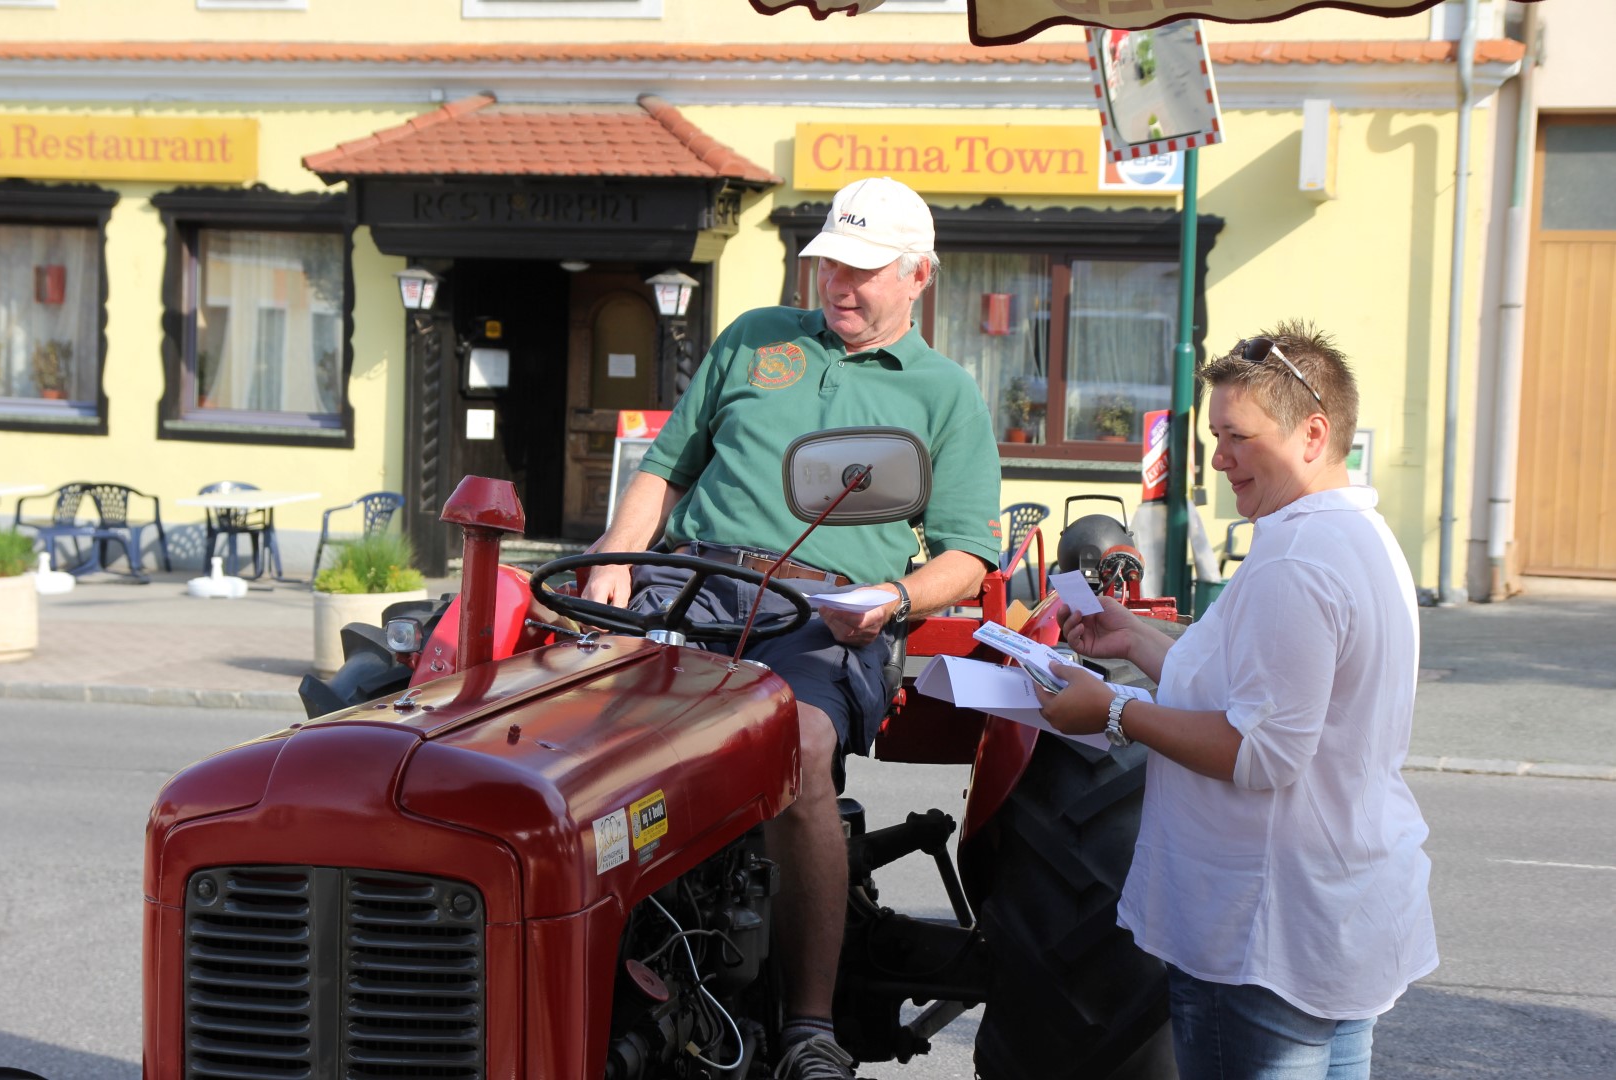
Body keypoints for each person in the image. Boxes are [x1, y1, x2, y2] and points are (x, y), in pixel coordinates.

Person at [581, 176, 1001, 1079]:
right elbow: (664, 469)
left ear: (919, 274)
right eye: (828, 266)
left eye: (863, 270)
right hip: (691, 583)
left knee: (799, 745)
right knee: (567, 736)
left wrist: (891, 601)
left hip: (825, 614)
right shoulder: (754, 340)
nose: (838, 286)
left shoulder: (944, 395)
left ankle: (810, 1025)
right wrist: (616, 557)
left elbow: (968, 555)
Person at [1036, 322, 1437, 1079]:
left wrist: (1113, 712)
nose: (1219, 459)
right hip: (1330, 914)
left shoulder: (1295, 556)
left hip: (1263, 931)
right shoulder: (1359, 532)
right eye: (1216, 436)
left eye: (1238, 438)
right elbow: (1251, 683)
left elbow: (1261, 753)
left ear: (1312, 434)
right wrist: (1134, 640)